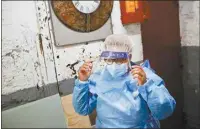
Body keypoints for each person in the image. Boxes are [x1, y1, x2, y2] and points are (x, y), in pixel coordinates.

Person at [72, 34, 176, 128]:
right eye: (110, 59)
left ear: (129, 57)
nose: (114, 64)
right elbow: (82, 109)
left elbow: (164, 111)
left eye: (119, 60)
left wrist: (147, 86)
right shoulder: (99, 77)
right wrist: (82, 82)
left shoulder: (144, 76)